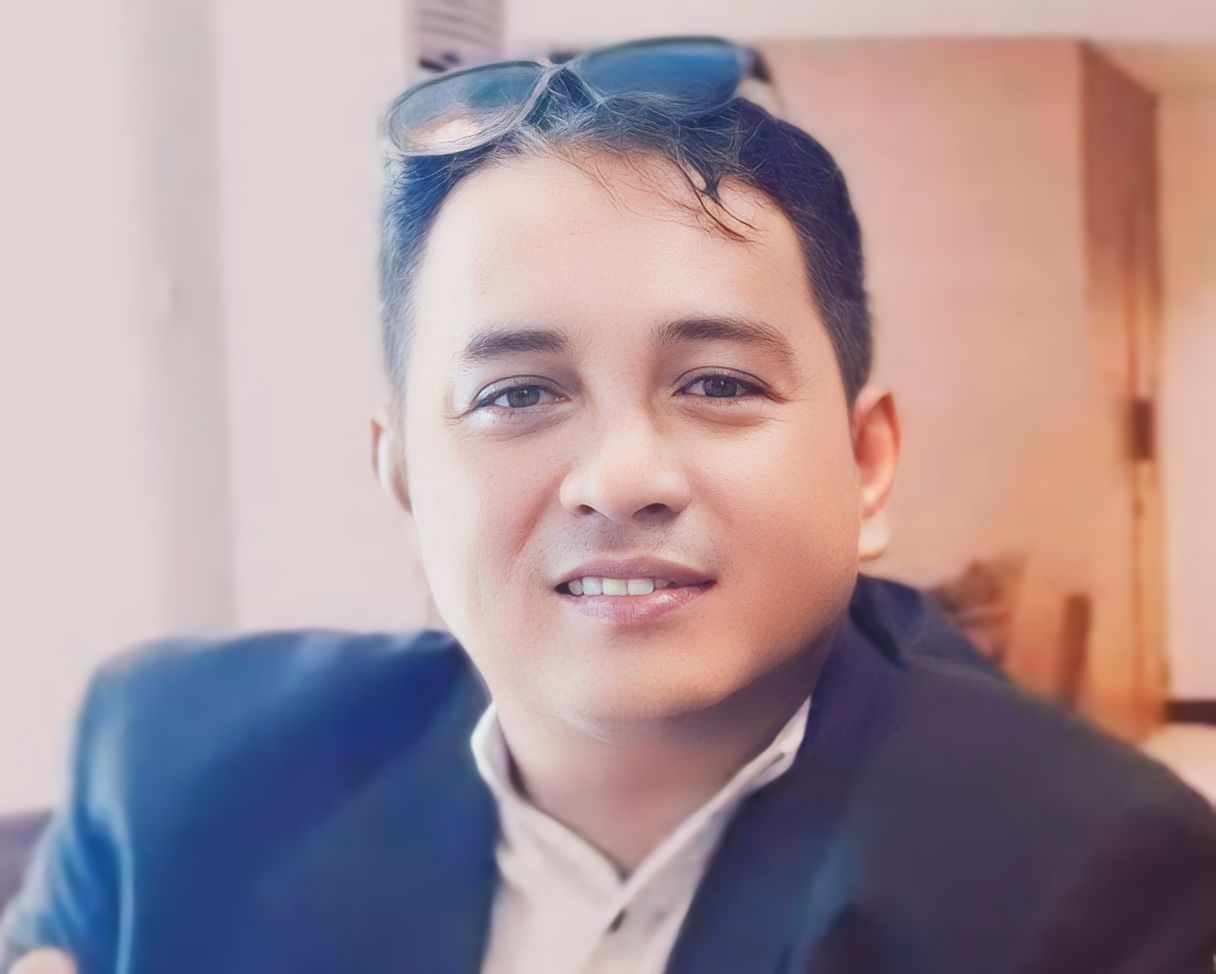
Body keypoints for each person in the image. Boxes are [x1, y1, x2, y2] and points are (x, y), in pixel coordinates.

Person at [3, 36, 1215, 974]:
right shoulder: (172, 770)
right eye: (518, 393)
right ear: (405, 475)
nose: (622, 476)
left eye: (718, 383)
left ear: (865, 464)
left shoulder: (1091, 881)